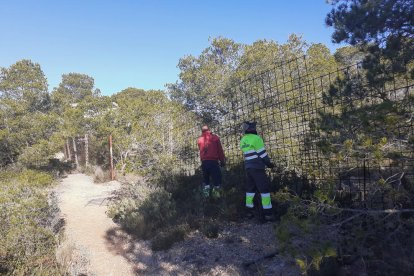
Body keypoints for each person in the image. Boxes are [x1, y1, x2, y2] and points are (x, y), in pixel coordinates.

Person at [240, 121, 275, 221]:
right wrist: (269, 164)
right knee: (264, 190)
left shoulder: (243, 140)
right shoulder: (256, 138)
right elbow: (262, 154)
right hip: (257, 168)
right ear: (252, 129)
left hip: (248, 167)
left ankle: (249, 212)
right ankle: (268, 214)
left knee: (250, 190)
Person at [197, 125, 226, 197]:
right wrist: (222, 160)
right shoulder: (215, 137)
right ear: (209, 130)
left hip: (204, 163)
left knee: (206, 181)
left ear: (202, 131)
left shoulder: (199, 139)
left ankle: (206, 198)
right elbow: (220, 150)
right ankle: (217, 198)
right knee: (217, 181)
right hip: (213, 162)